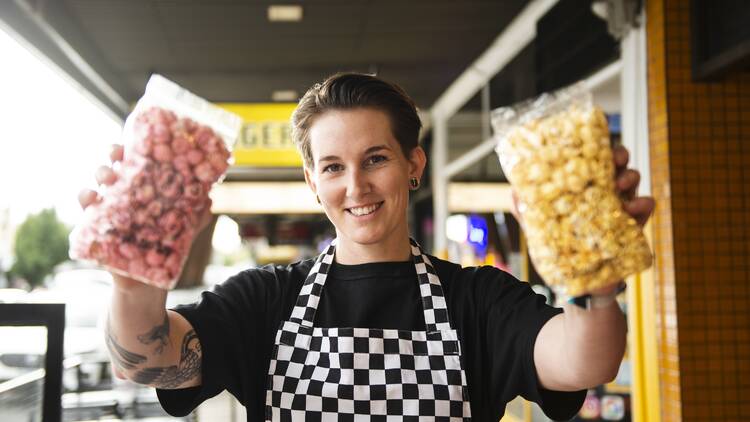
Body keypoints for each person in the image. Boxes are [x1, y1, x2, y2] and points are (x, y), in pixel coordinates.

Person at [79, 73, 654, 421]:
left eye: (375, 158)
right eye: (333, 167)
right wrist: (133, 282)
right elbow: (150, 363)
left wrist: (593, 279)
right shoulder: (266, 299)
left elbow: (586, 361)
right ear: (313, 183)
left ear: (413, 165)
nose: (355, 186)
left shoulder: (478, 298)